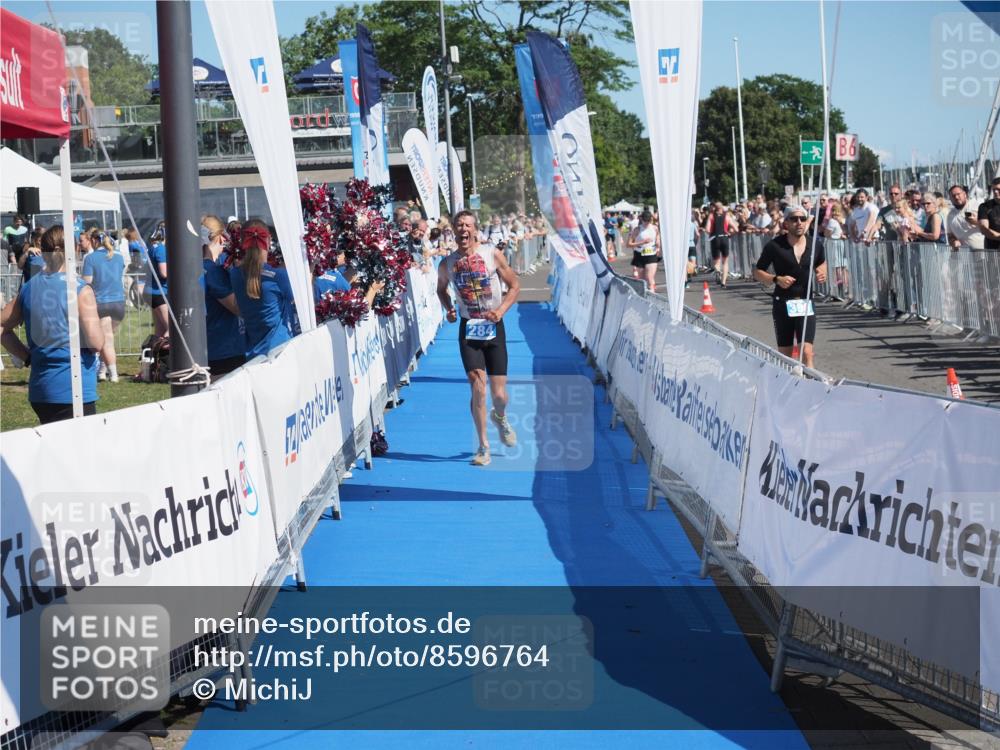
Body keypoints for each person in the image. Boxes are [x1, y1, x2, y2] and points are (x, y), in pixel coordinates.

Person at [437, 210, 521, 467]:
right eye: (459, 225)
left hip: (493, 326)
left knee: (499, 395)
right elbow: (441, 289)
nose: (463, 229)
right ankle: (483, 446)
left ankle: (500, 416)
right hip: (469, 327)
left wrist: (500, 311)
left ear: (475, 229)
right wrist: (449, 308)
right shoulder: (447, 263)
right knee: (477, 386)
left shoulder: (491, 254)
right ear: (453, 230)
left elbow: (514, 286)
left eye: (468, 225)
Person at [0, 225, 104, 424]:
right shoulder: (80, 290)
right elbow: (96, 343)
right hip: (74, 389)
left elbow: (2, 327)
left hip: (41, 390)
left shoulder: (28, 288)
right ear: (72, 250)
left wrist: (27, 356)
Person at [752, 206, 828, 368]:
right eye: (794, 219)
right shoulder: (775, 246)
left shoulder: (815, 245)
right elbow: (757, 272)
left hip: (805, 303)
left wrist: (821, 273)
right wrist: (776, 279)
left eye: (802, 219)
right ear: (786, 223)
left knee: (806, 352)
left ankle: (809, 383)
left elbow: (821, 262)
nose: (799, 222)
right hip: (782, 303)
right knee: (785, 357)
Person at [228, 220, 299, 358]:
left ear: (242, 242)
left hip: (253, 355)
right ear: (269, 240)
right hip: (280, 352)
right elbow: (300, 301)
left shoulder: (235, 274)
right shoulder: (278, 276)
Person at [201, 215, 246, 377]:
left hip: (208, 348)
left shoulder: (199, 268)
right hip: (225, 350)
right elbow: (239, 308)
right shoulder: (213, 271)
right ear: (221, 238)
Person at [81, 230, 126, 382]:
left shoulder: (90, 258)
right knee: (107, 337)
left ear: (94, 241)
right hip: (119, 303)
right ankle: (102, 370)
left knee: (106, 340)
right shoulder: (119, 256)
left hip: (102, 302)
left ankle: (113, 374)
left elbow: (87, 282)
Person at [145, 223, 169, 337]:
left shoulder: (153, 247)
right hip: (159, 293)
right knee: (172, 329)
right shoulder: (161, 249)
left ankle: (154, 349)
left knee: (160, 331)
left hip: (153, 292)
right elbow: (164, 273)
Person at [626, 210, 659, 291]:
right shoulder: (637, 229)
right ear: (642, 219)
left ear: (651, 219)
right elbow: (628, 244)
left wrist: (658, 244)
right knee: (642, 280)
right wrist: (642, 242)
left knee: (650, 278)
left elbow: (657, 238)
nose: (646, 223)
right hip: (639, 255)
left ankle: (652, 294)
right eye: (645, 221)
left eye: (648, 221)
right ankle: (644, 295)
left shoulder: (655, 228)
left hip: (651, 255)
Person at [706, 202, 732, 286]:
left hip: (715, 239)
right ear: (722, 207)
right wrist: (730, 232)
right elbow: (735, 228)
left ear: (715, 208)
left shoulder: (711, 216)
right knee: (725, 262)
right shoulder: (727, 216)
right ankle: (723, 282)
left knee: (717, 261)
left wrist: (711, 232)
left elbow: (707, 229)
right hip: (724, 238)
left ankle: (717, 271)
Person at [977, 177, 1000, 251]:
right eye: (994, 189)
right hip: (993, 251)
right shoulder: (984, 206)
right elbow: (984, 229)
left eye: (998, 189)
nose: (995, 192)